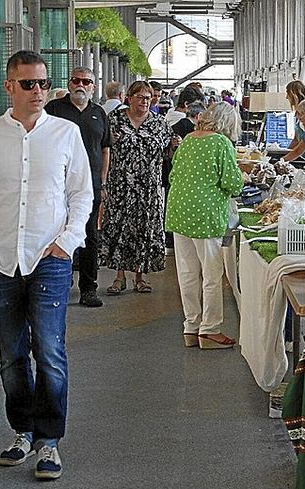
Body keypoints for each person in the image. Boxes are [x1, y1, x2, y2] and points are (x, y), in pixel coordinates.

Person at [0, 50, 93, 481]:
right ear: (9, 87)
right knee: (11, 355)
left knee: (50, 351)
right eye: (28, 84)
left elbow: (81, 195)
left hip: (49, 258)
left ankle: (50, 442)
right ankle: (23, 431)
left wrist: (67, 243)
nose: (38, 91)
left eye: (42, 83)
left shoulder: (66, 134)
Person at [168, 103, 243, 349]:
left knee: (187, 273)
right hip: (206, 214)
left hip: (179, 210)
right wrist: (244, 177)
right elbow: (233, 183)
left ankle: (191, 326)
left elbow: (173, 175)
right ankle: (210, 330)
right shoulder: (221, 144)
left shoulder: (188, 139)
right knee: (211, 274)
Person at [44, 66, 110, 308]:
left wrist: (103, 182)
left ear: (93, 87)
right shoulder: (54, 109)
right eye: (76, 80)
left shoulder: (99, 113)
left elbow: (105, 149)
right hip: (58, 184)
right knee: (58, 231)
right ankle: (59, 282)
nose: (81, 85)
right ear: (69, 83)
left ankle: (89, 288)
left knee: (89, 235)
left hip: (89, 185)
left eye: (86, 81)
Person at [100, 81, 173, 294]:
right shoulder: (114, 120)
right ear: (128, 98)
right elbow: (104, 150)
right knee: (121, 228)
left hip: (148, 186)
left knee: (144, 229)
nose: (144, 101)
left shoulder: (159, 123)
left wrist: (175, 146)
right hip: (121, 185)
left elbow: (168, 153)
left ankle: (140, 276)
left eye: (148, 98)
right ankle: (119, 276)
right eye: (140, 97)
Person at [282, 80, 305, 161]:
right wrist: (284, 153)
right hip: (300, 155)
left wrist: (286, 158)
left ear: (293, 94)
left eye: (287, 94)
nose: (286, 97)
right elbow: (296, 139)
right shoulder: (297, 113)